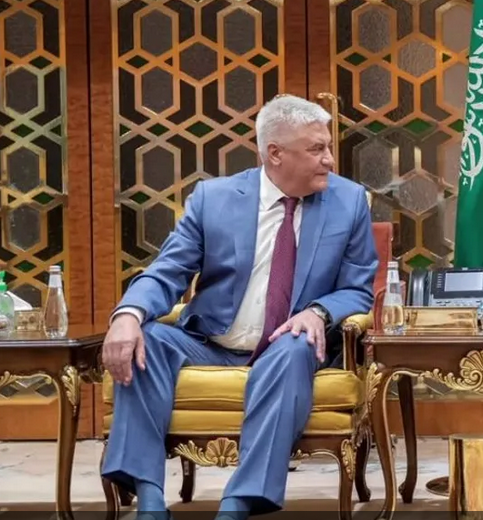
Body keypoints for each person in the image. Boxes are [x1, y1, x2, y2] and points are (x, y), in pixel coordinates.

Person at [100, 94, 378, 519]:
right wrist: (127, 315)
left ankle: (238, 504)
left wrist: (318, 312)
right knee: (147, 339)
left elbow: (358, 289)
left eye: (328, 146)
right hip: (211, 342)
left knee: (296, 344)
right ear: (275, 153)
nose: (329, 159)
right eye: (316, 149)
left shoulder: (349, 200)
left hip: (290, 345)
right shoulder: (214, 198)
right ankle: (150, 500)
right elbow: (168, 270)